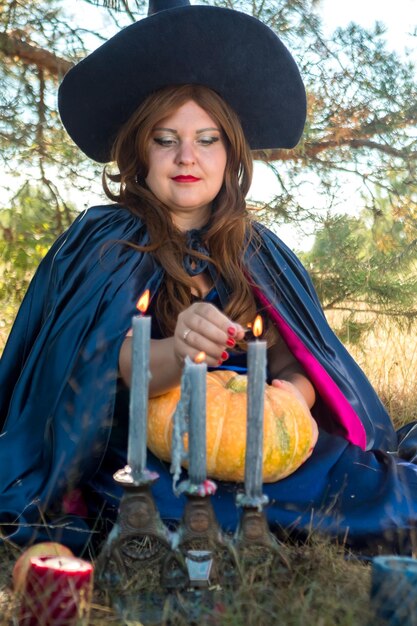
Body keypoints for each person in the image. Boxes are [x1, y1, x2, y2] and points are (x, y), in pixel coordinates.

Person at [1, 0, 417, 557]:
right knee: (199, 516)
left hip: (263, 443)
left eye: (207, 139)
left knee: (383, 497)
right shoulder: (107, 241)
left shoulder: (261, 252)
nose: (186, 157)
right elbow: (105, 362)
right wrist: (179, 349)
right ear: (139, 152)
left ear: (231, 153)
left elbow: (297, 361)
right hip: (148, 458)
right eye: (165, 138)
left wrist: (286, 404)